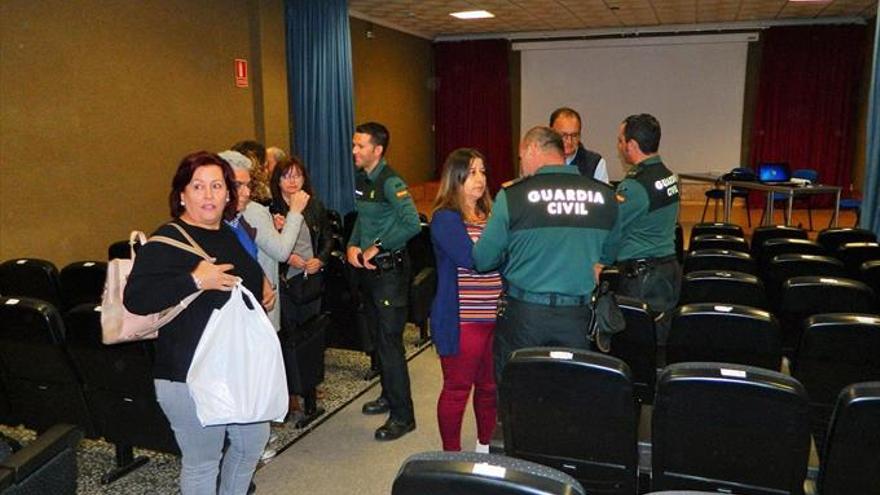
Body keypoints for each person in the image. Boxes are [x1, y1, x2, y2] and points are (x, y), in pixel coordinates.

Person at [124, 151, 273, 495]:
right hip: (187, 373)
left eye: (217, 186)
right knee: (204, 461)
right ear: (182, 195)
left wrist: (262, 283)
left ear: (228, 194)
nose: (208, 195)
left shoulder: (229, 233)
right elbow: (136, 300)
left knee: (252, 442)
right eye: (198, 186)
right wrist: (193, 280)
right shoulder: (167, 240)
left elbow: (240, 276)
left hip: (237, 367)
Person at [473, 126, 618, 383]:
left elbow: (483, 260)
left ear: (532, 149)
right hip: (578, 317)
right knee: (570, 397)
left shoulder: (513, 196)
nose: (522, 165)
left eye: (521, 158)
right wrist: (599, 262)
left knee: (519, 395)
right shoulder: (604, 196)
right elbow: (613, 247)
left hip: (525, 317)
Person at [346, 121, 421, 441]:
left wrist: (378, 245)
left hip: (390, 272)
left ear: (377, 150)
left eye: (360, 146)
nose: (354, 151)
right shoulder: (364, 180)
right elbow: (364, 219)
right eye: (354, 144)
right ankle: (389, 395)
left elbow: (412, 223)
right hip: (370, 272)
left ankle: (403, 416)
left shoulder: (392, 182)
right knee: (378, 339)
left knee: (391, 346)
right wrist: (352, 243)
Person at [430, 148, 502, 452]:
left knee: (490, 388)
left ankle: (485, 446)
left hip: (496, 317)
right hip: (463, 320)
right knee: (457, 389)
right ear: (455, 177)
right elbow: (472, 259)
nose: (480, 178)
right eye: (472, 172)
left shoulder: (493, 215)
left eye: (483, 171)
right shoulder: (446, 218)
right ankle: (451, 455)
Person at [596, 114, 681, 343]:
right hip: (667, 273)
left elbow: (613, 230)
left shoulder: (634, 186)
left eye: (621, 140)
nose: (620, 145)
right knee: (659, 341)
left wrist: (599, 262)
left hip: (642, 280)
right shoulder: (669, 177)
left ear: (632, 145)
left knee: (638, 346)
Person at [269, 156, 334, 424]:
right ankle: (290, 391)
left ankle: (310, 384)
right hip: (285, 281)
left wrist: (321, 258)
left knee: (311, 334)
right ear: (278, 181)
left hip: (311, 277)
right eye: (287, 176)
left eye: (297, 175)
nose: (293, 181)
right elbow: (267, 246)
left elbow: (329, 237)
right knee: (288, 336)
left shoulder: (313, 205)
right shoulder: (270, 210)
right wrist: (287, 258)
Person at [550, 107, 609, 183]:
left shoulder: (595, 163)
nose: (569, 141)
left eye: (574, 135)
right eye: (564, 135)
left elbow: (602, 194)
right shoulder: (541, 160)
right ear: (551, 133)